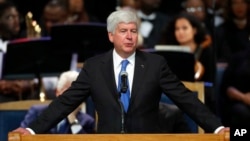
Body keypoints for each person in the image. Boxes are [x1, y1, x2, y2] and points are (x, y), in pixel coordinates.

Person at [12, 9, 229, 135]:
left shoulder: (155, 64)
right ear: (110, 36)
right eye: (123, 31)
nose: (129, 36)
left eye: (133, 31)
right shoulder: (94, 66)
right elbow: (65, 102)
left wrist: (217, 128)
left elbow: (185, 99)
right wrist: (32, 130)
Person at [20, 70, 95, 134]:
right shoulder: (37, 112)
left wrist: (73, 119)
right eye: (69, 92)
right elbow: (23, 135)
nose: (73, 97)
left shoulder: (87, 121)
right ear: (57, 92)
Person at [219, 47, 250, 128]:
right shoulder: (238, 58)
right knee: (241, 112)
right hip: (238, 102)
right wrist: (244, 97)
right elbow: (226, 87)